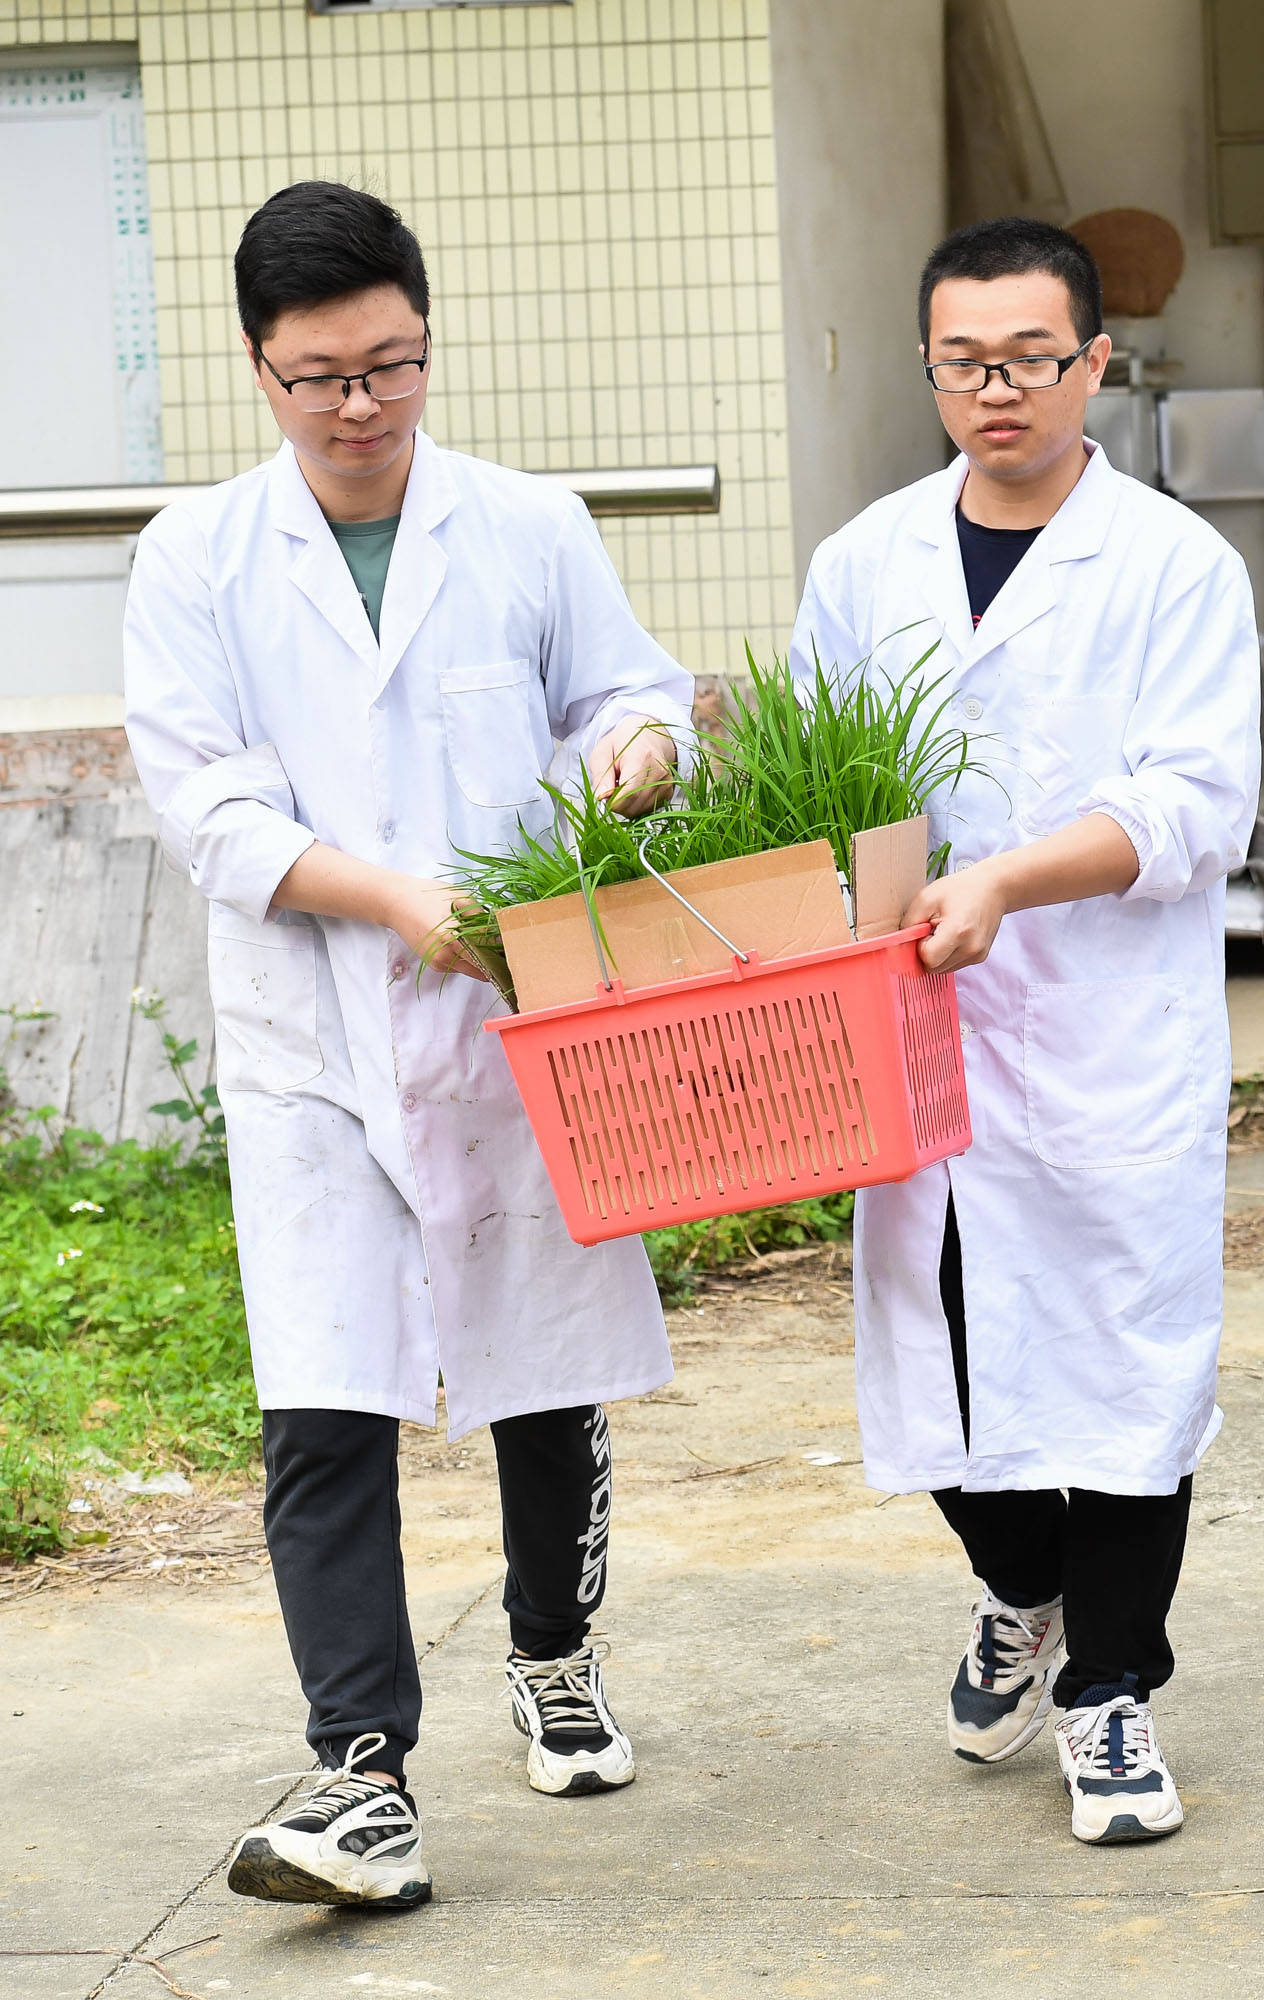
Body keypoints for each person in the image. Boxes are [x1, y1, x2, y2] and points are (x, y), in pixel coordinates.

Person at [121, 183, 689, 1909]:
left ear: (426, 341)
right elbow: (208, 805)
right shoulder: (195, 556)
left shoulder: (525, 522)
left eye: (391, 365)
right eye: (320, 378)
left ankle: (554, 1652)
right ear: (257, 368)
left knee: (545, 1358)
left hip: (518, 1004)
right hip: (311, 1029)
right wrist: (385, 901)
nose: (362, 406)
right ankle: (361, 1771)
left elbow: (630, 692)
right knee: (324, 1390)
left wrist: (639, 758)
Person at [786, 218, 1259, 1847]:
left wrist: (1007, 878)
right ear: (929, 366)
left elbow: (1196, 802)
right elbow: (823, 791)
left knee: (1131, 1368)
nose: (1000, 390)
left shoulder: (1177, 565)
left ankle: (1112, 1697)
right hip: (915, 1024)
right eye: (966, 362)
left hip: (1107, 1027)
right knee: (939, 1353)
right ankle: (1021, 1586)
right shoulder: (862, 564)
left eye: (1033, 360)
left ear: (1096, 366)